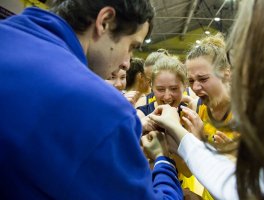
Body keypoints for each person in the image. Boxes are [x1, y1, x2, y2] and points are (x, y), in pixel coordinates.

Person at [0, 0, 183, 199]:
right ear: (104, 21)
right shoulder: (103, 106)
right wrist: (163, 161)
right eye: (131, 46)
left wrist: (133, 128)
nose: (126, 62)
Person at [147, 0, 264, 199]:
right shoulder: (198, 108)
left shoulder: (253, 115)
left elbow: (255, 183)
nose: (195, 87)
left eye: (203, 79)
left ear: (227, 73)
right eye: (191, 80)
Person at [136, 56, 203, 198]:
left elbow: (188, 171)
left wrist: (175, 133)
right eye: (160, 89)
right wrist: (138, 129)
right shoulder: (141, 115)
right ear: (151, 87)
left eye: (174, 89)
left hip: (177, 187)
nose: (167, 97)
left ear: (184, 86)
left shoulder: (188, 117)